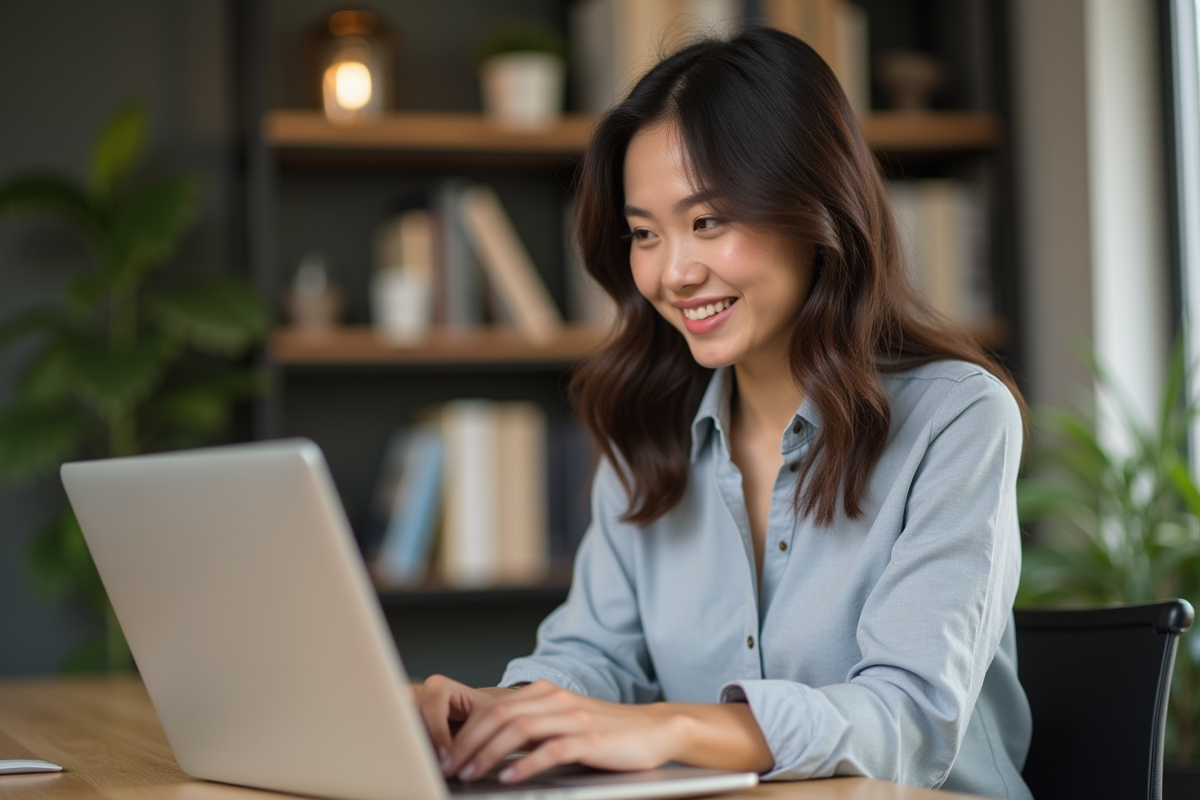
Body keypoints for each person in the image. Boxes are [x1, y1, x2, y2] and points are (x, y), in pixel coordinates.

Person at [416, 27, 1032, 800]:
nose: (673, 272)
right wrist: (492, 712)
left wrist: (670, 728)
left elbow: (906, 716)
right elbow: (596, 657)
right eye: (645, 233)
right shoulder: (647, 433)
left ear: (815, 204)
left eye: (709, 221)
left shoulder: (956, 420)